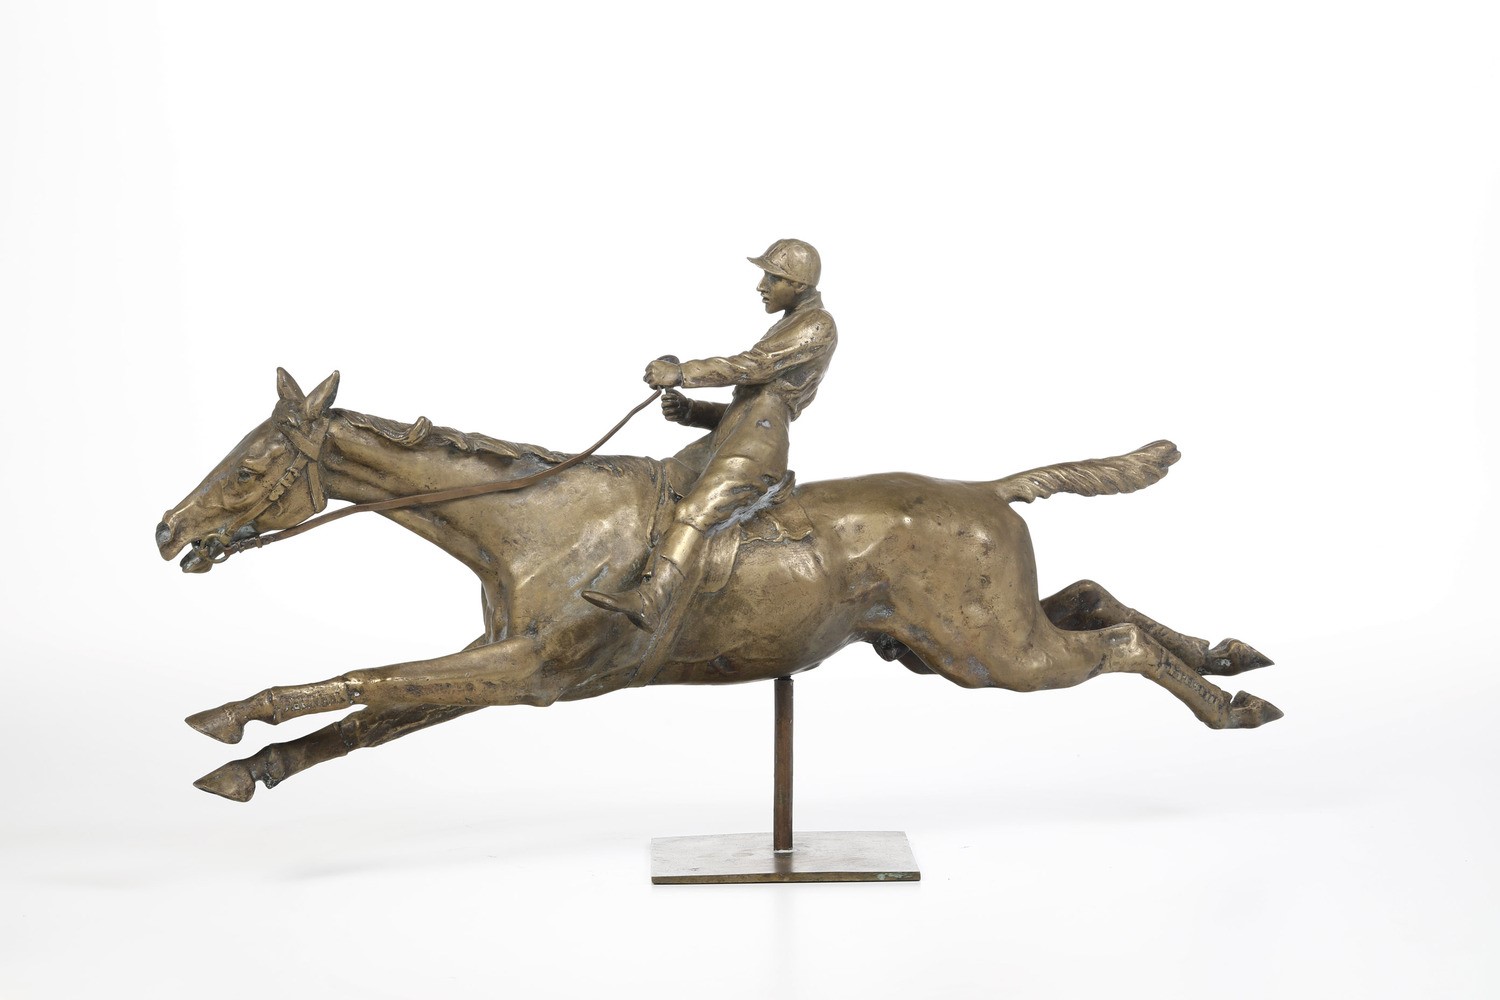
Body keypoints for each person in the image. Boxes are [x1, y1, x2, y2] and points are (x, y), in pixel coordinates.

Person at [583, 239, 837, 646]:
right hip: (735, 437)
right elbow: (746, 408)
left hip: (757, 447)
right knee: (658, 483)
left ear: (799, 284)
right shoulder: (791, 321)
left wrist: (683, 372)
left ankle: (653, 599)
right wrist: (692, 411)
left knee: (696, 510)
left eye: (773, 277)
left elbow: (754, 369)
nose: (762, 285)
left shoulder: (817, 324)